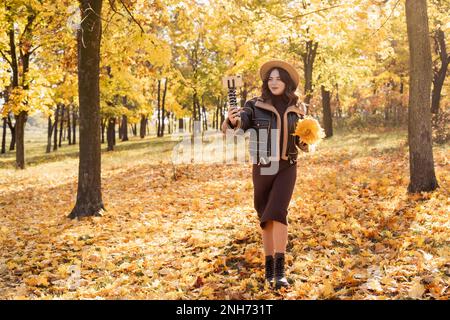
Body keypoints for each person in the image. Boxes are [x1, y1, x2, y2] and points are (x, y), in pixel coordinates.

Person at [221, 59, 306, 290]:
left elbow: (302, 142)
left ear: (287, 82)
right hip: (263, 167)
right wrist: (233, 119)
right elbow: (240, 124)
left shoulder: (297, 107)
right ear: (266, 82)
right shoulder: (254, 105)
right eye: (270, 78)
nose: (274, 82)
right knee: (266, 217)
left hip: (287, 166)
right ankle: (269, 270)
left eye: (279, 78)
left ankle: (280, 272)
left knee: (278, 212)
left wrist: (308, 138)